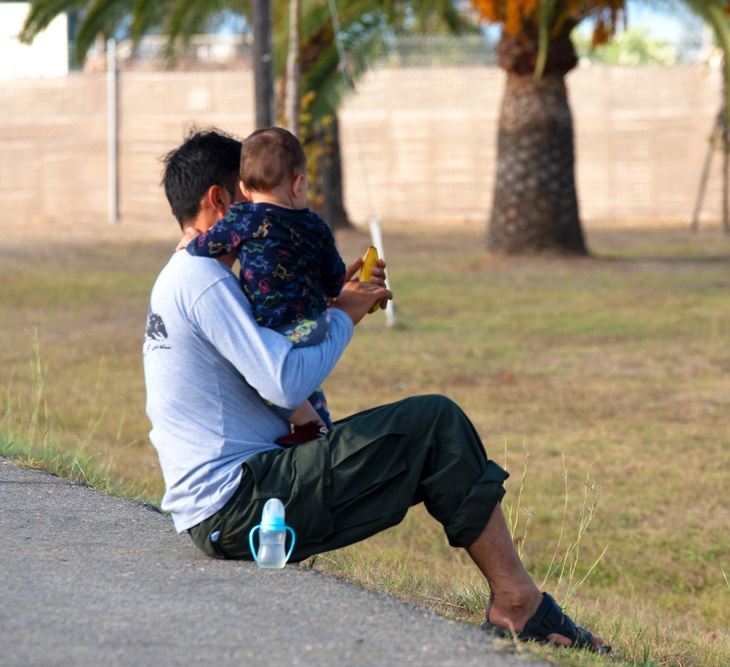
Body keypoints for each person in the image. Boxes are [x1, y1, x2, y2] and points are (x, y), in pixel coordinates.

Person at [143, 128, 606, 653]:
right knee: (433, 424)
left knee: (425, 429)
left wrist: (333, 299)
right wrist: (345, 314)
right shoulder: (204, 280)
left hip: (230, 502)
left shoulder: (189, 277)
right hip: (241, 506)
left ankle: (517, 602)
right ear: (222, 200)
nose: (262, 216)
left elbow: (274, 351)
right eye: (250, 198)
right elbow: (284, 382)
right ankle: (518, 605)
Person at [177, 126, 345, 445]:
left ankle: (311, 424)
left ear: (243, 188)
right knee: (303, 380)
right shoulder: (317, 226)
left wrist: (191, 241)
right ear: (299, 183)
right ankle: (320, 426)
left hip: (275, 329)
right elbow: (335, 277)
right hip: (315, 325)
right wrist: (331, 292)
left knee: (260, 376)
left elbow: (209, 244)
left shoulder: (244, 218)